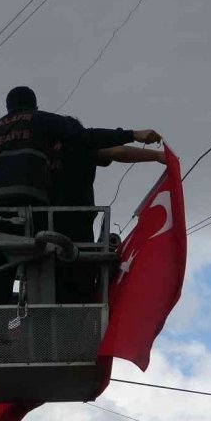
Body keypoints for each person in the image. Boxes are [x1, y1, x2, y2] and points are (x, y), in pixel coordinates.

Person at [0, 86, 160, 304]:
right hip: (43, 214)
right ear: (34, 105)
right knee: (57, 272)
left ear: (8, 107)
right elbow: (102, 144)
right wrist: (136, 137)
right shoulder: (44, 123)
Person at [50, 117, 166, 302]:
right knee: (79, 281)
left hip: (44, 229)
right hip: (78, 228)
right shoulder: (81, 145)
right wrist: (158, 156)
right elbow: (116, 151)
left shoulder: (43, 152)